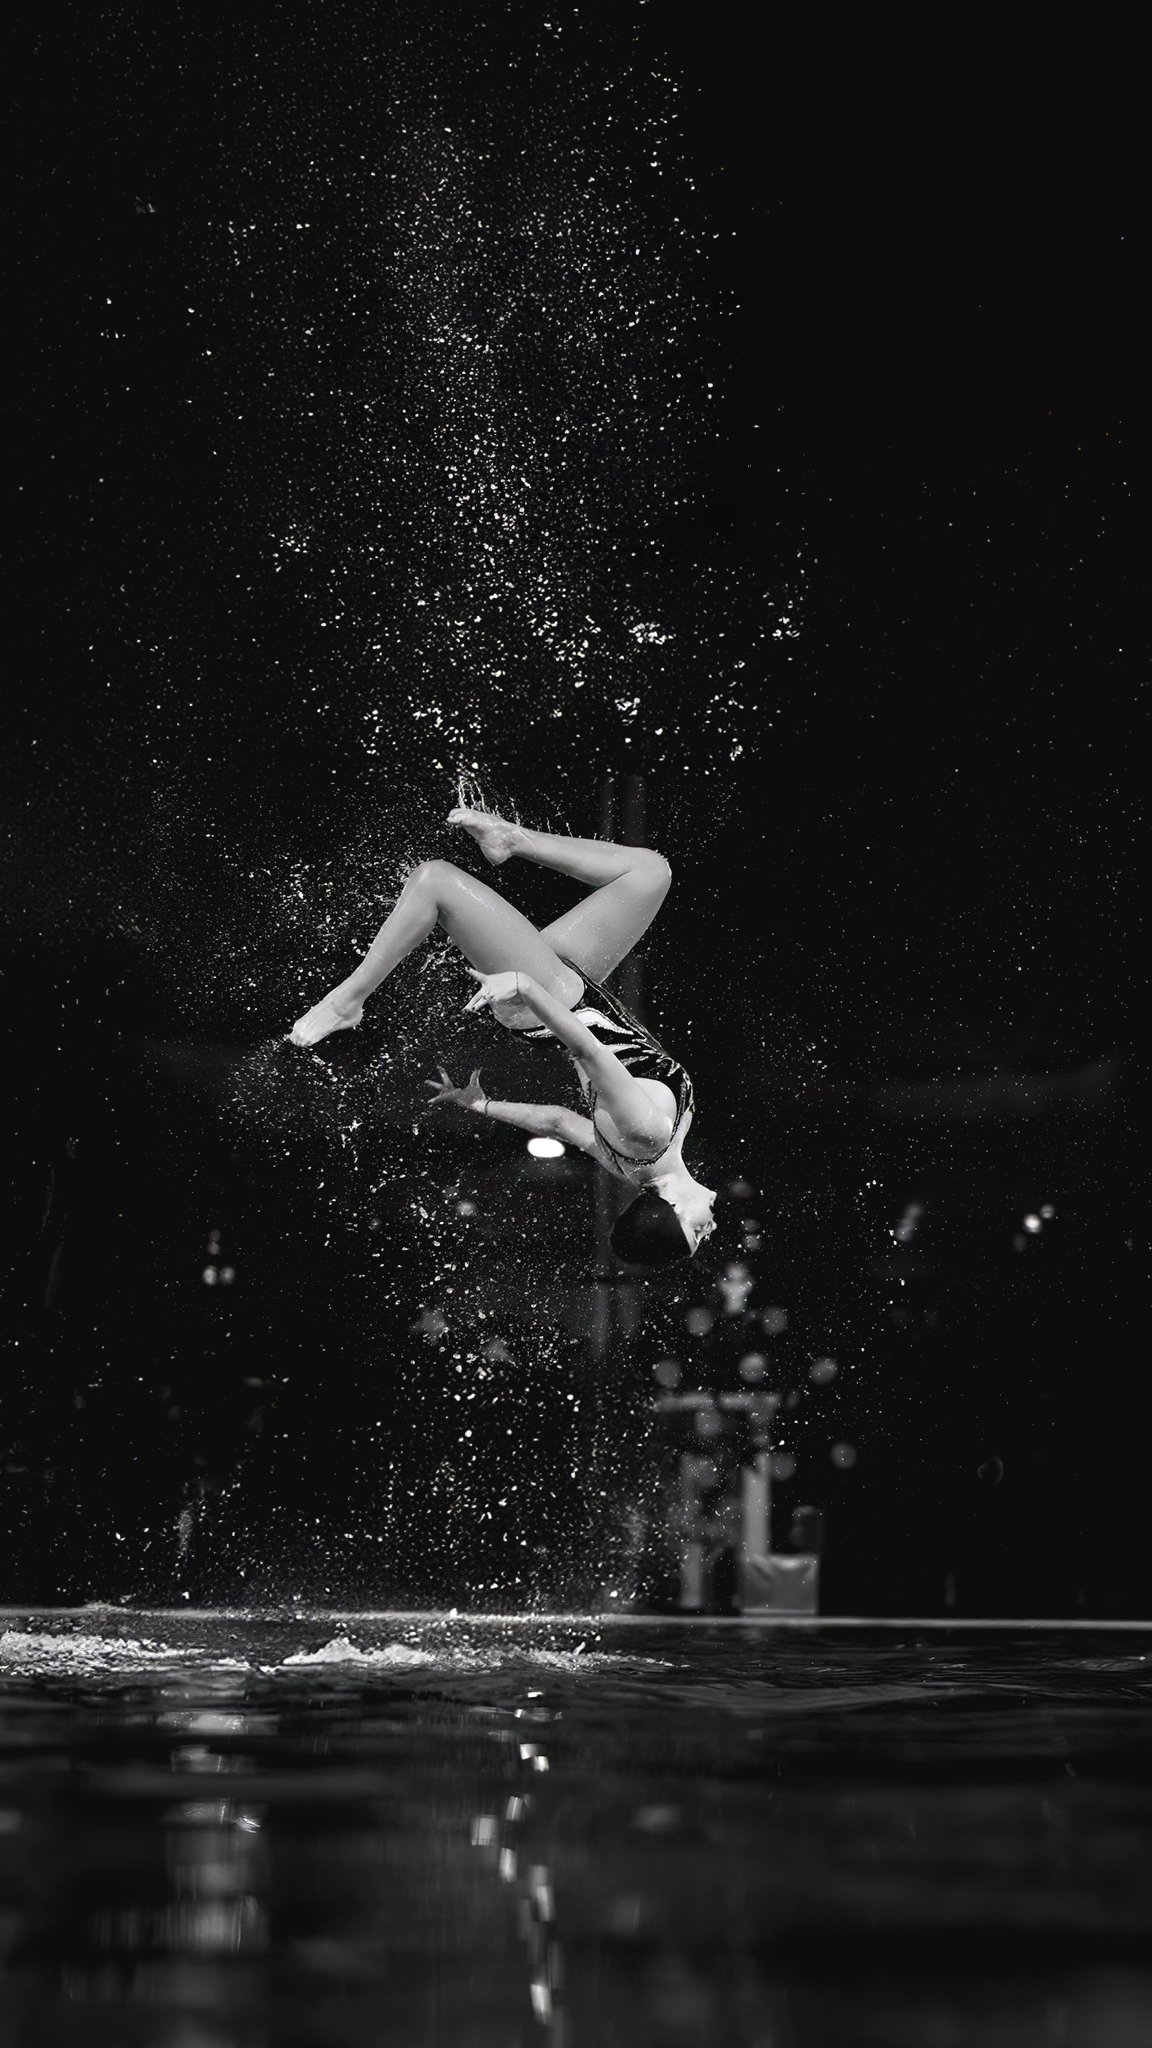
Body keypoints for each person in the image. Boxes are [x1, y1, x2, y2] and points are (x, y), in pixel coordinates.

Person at [289, 805, 716, 1262]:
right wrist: (483, 1105)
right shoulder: (638, 1167)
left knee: (436, 881)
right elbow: (559, 1123)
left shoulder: (648, 1135)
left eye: (697, 1232)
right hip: (573, 984)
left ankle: (349, 1001)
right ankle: (510, 839)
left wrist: (524, 987)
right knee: (650, 873)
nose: (710, 1228)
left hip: (547, 999)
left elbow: (589, 1051)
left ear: (672, 1209)